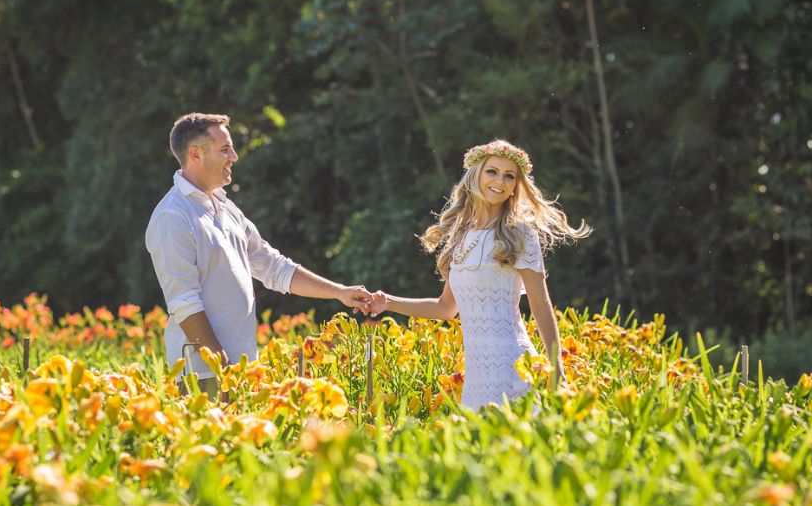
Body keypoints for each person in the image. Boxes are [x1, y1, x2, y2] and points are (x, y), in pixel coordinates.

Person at [146, 112, 372, 398]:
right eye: (225, 149)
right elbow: (184, 303)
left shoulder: (225, 208)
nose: (235, 157)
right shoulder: (173, 215)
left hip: (240, 370)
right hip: (204, 375)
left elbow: (275, 267)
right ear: (195, 154)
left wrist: (340, 292)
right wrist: (222, 368)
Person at [365, 140, 591, 409]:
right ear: (475, 175)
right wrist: (388, 302)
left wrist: (557, 370)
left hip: (513, 364)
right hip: (476, 377)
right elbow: (446, 308)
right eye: (492, 171)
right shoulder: (460, 235)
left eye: (509, 176)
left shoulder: (520, 234)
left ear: (514, 188)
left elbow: (541, 305)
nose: (500, 181)